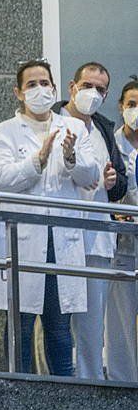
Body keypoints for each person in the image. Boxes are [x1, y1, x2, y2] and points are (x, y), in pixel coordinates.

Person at [0, 60, 99, 375]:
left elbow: (91, 175)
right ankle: (17, 396)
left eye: (45, 83)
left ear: (55, 88)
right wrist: (39, 159)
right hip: (22, 242)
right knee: (20, 326)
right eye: (31, 84)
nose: (40, 90)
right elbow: (0, 178)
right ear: (18, 92)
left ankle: (62, 397)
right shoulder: (4, 131)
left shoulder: (74, 127)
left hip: (60, 241)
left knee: (60, 329)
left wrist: (71, 157)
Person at [56, 62, 126, 379]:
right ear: (72, 86)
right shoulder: (53, 122)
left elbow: (120, 182)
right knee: (57, 324)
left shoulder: (104, 129)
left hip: (97, 238)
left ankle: (91, 386)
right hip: (59, 237)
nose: (93, 94)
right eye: (87, 86)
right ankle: (59, 384)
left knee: (92, 324)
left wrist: (112, 181)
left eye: (100, 89)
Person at [107, 79, 138, 381]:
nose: (136, 111)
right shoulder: (111, 145)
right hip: (123, 243)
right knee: (121, 317)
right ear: (121, 106)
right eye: (132, 104)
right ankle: (124, 383)